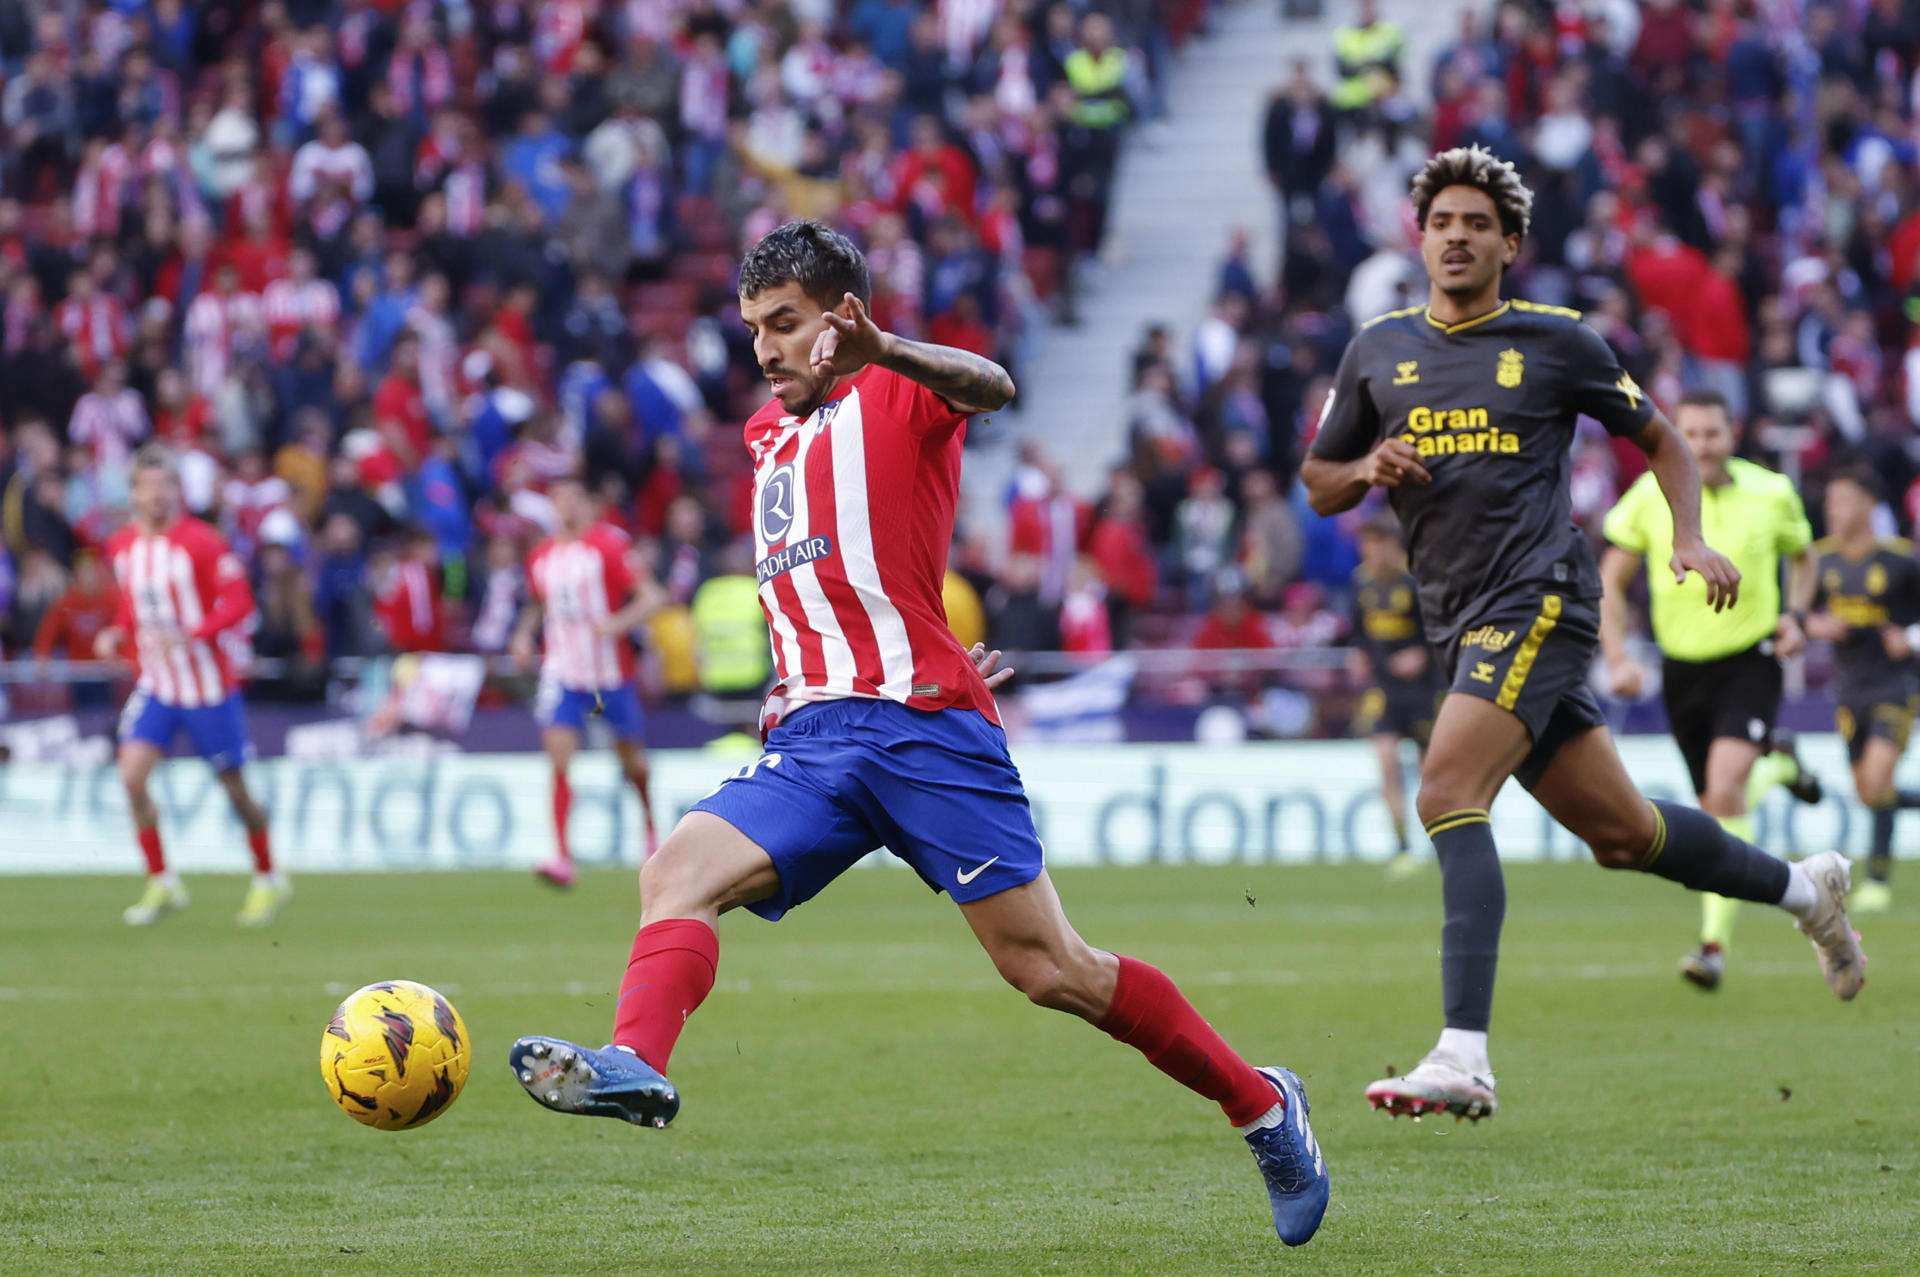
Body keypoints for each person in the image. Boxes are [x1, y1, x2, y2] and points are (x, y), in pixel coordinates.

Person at [507, 221, 1330, 1246]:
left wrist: (886, 348)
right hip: (813, 736)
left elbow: (993, 386)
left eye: (787, 324)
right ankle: (636, 1060)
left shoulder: (896, 387)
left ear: (840, 319)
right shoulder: (766, 438)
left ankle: (1261, 1102)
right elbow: (846, 581)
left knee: (1052, 969)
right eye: (755, 326)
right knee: (675, 873)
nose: (765, 347)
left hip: (925, 732)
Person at [1300, 147, 1865, 1124]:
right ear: (1420, 237)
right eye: (1443, 223)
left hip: (1538, 601)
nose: (1458, 237)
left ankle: (1464, 1054)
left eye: (1479, 223)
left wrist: (1686, 535)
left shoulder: (1558, 341)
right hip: (1459, 619)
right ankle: (1806, 892)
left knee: (1445, 789)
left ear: (1510, 243)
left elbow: (1662, 439)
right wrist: (1366, 470)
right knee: (1624, 834)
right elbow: (1318, 477)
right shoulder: (1376, 350)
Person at [1599, 389, 1825, 989]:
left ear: (1734, 432)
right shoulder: (1650, 496)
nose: (1700, 446)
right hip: (1683, 669)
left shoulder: (1771, 491)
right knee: (1716, 805)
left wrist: (1796, 618)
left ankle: (1713, 947)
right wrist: (1616, 654)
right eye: (1690, 434)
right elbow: (1611, 580)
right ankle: (1780, 767)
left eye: (1712, 434)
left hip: (1751, 659)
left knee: (1723, 795)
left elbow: (1804, 560)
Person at [97, 445, 287, 927]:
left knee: (236, 791)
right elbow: (132, 604)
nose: (158, 496)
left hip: (207, 687)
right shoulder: (121, 547)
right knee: (132, 777)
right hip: (158, 685)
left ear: (178, 492)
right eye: (149, 487)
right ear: (134, 493)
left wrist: (195, 632)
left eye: (167, 486)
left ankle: (267, 876)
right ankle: (162, 881)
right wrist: (117, 631)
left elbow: (240, 602)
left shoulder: (201, 542)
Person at [512, 474, 663, 887]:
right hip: (564, 673)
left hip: (609, 676)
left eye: (574, 498)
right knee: (558, 754)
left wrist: (617, 623)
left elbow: (652, 597)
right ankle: (562, 856)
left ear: (587, 504)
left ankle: (649, 830)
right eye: (558, 499)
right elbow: (538, 604)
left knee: (632, 761)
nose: (566, 507)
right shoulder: (541, 556)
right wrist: (525, 634)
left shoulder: (608, 548)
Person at [1807, 468, 1920, 915]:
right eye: (1831, 503)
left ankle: (1876, 880)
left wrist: (1908, 638)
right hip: (1848, 687)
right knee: (1869, 792)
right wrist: (1819, 626)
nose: (1834, 511)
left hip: (1897, 685)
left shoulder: (1901, 561)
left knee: (1877, 778)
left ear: (1869, 506)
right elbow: (1797, 615)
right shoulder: (1818, 560)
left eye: (1843, 502)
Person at [1347, 513, 1443, 876]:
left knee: (1430, 770)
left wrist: (1422, 652)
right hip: (1384, 687)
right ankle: (1401, 845)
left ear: (1393, 545)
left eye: (1378, 543)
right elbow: (1357, 632)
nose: (1372, 551)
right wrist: (1357, 654)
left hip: (1422, 690)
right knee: (1386, 759)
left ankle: (1442, 840)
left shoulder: (1415, 582)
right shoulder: (1360, 584)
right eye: (1366, 544)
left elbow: (1440, 630)